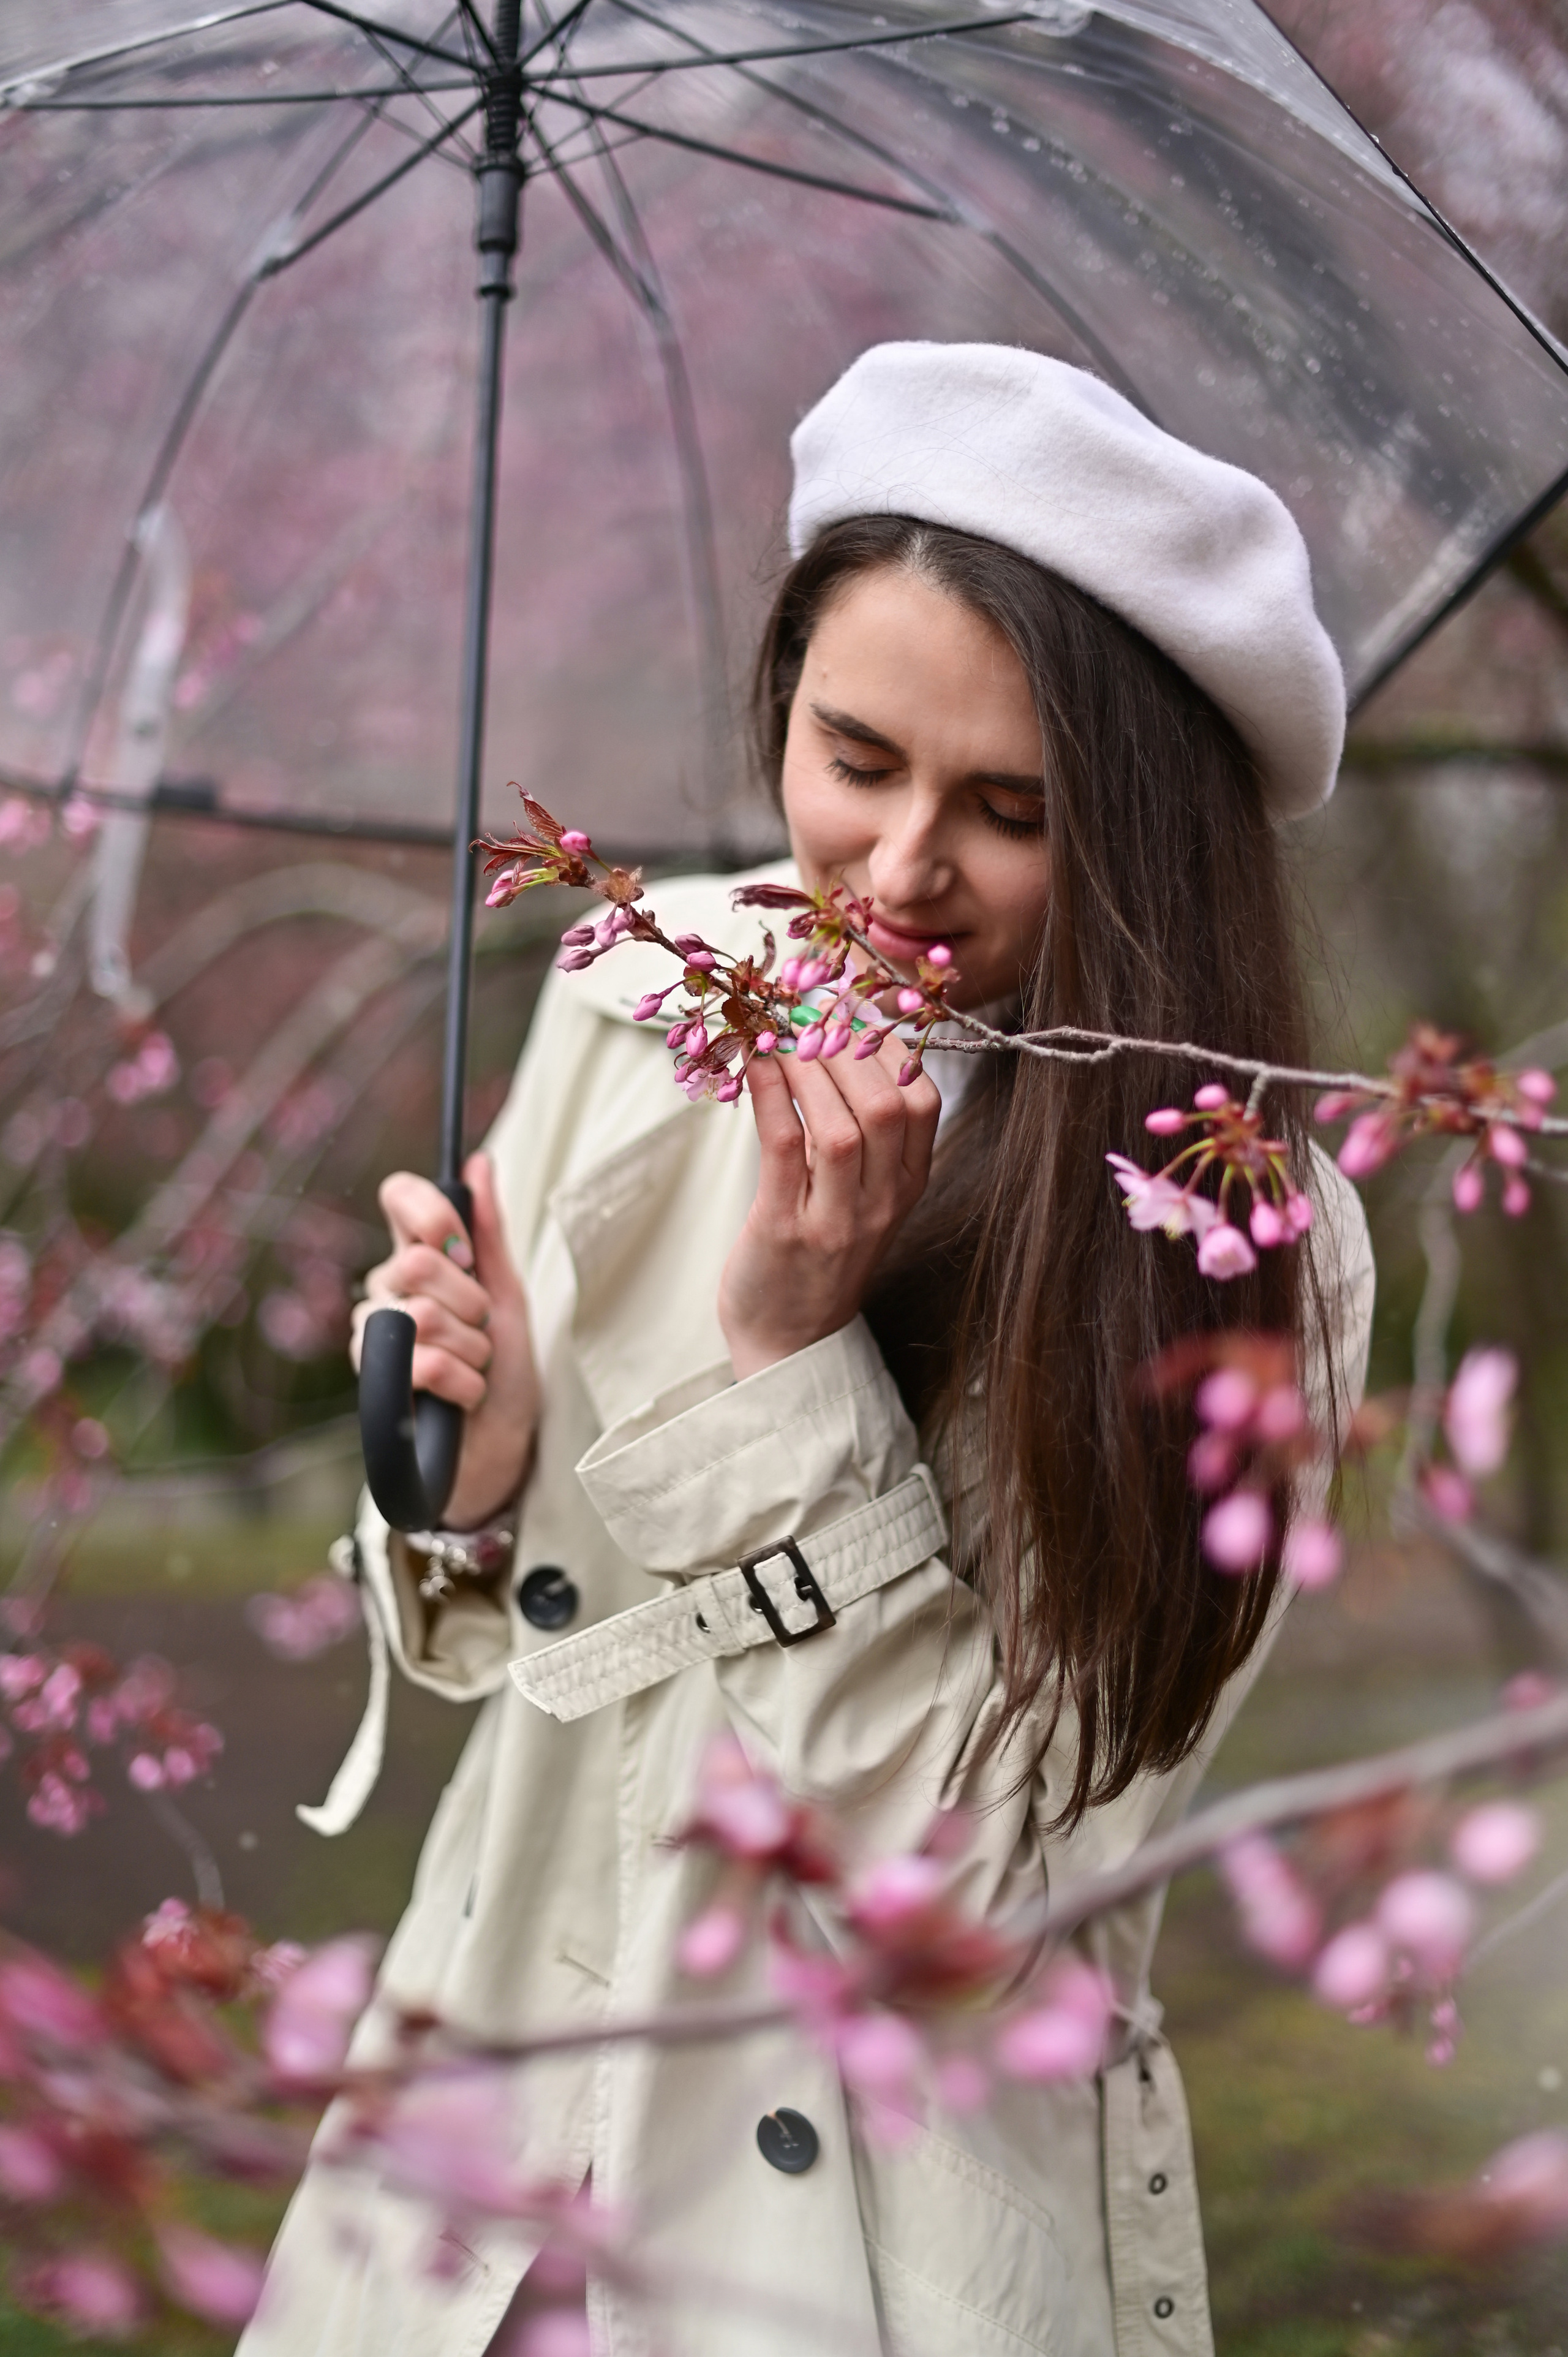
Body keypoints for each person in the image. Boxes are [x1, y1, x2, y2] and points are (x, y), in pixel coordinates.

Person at [241, 342, 1374, 2357]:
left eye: (1010, 810)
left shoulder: (1247, 1229)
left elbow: (980, 1889)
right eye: (855, 758)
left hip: (873, 2231)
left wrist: (785, 1366)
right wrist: (480, 1467)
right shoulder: (638, 990)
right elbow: (524, 1637)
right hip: (494, 2141)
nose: (900, 870)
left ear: (1144, 838)